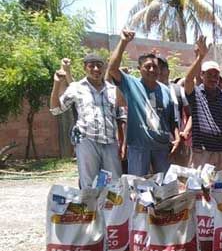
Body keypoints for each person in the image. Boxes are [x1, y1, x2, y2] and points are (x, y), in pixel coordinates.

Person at [107, 30, 180, 176]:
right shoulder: (131, 84)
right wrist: (123, 43)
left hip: (162, 147)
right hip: (139, 147)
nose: (152, 70)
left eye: (155, 67)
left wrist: (177, 139)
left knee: (165, 188)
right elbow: (113, 69)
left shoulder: (166, 90)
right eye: (148, 66)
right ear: (139, 69)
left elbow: (172, 120)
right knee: (138, 187)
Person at [50, 54, 127, 188]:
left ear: (104, 68)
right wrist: (56, 84)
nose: (96, 69)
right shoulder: (76, 88)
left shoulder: (113, 90)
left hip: (110, 142)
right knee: (89, 184)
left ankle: (110, 210)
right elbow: (56, 110)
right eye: (91, 66)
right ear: (85, 68)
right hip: (87, 141)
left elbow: (123, 116)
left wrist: (122, 142)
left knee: (114, 184)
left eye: (99, 65)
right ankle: (90, 209)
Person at [183, 37, 222, 170]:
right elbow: (188, 80)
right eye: (209, 74)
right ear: (202, 75)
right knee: (201, 188)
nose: (213, 78)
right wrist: (200, 57)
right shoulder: (195, 94)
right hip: (202, 153)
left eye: (216, 75)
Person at [157, 55, 191, 167]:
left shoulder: (178, 90)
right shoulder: (146, 91)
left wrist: (185, 132)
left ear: (168, 71)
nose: (159, 71)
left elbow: (191, 114)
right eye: (157, 67)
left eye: (162, 67)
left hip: (177, 143)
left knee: (179, 179)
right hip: (155, 144)